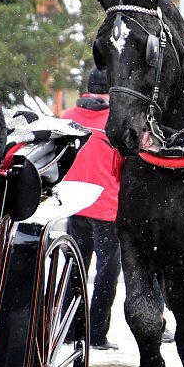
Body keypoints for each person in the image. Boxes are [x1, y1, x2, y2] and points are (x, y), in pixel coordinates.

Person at [62, 67, 123, 350]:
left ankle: (67, 329)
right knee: (106, 275)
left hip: (74, 203)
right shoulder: (117, 121)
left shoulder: (67, 118)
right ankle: (96, 334)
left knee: (73, 270)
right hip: (106, 208)